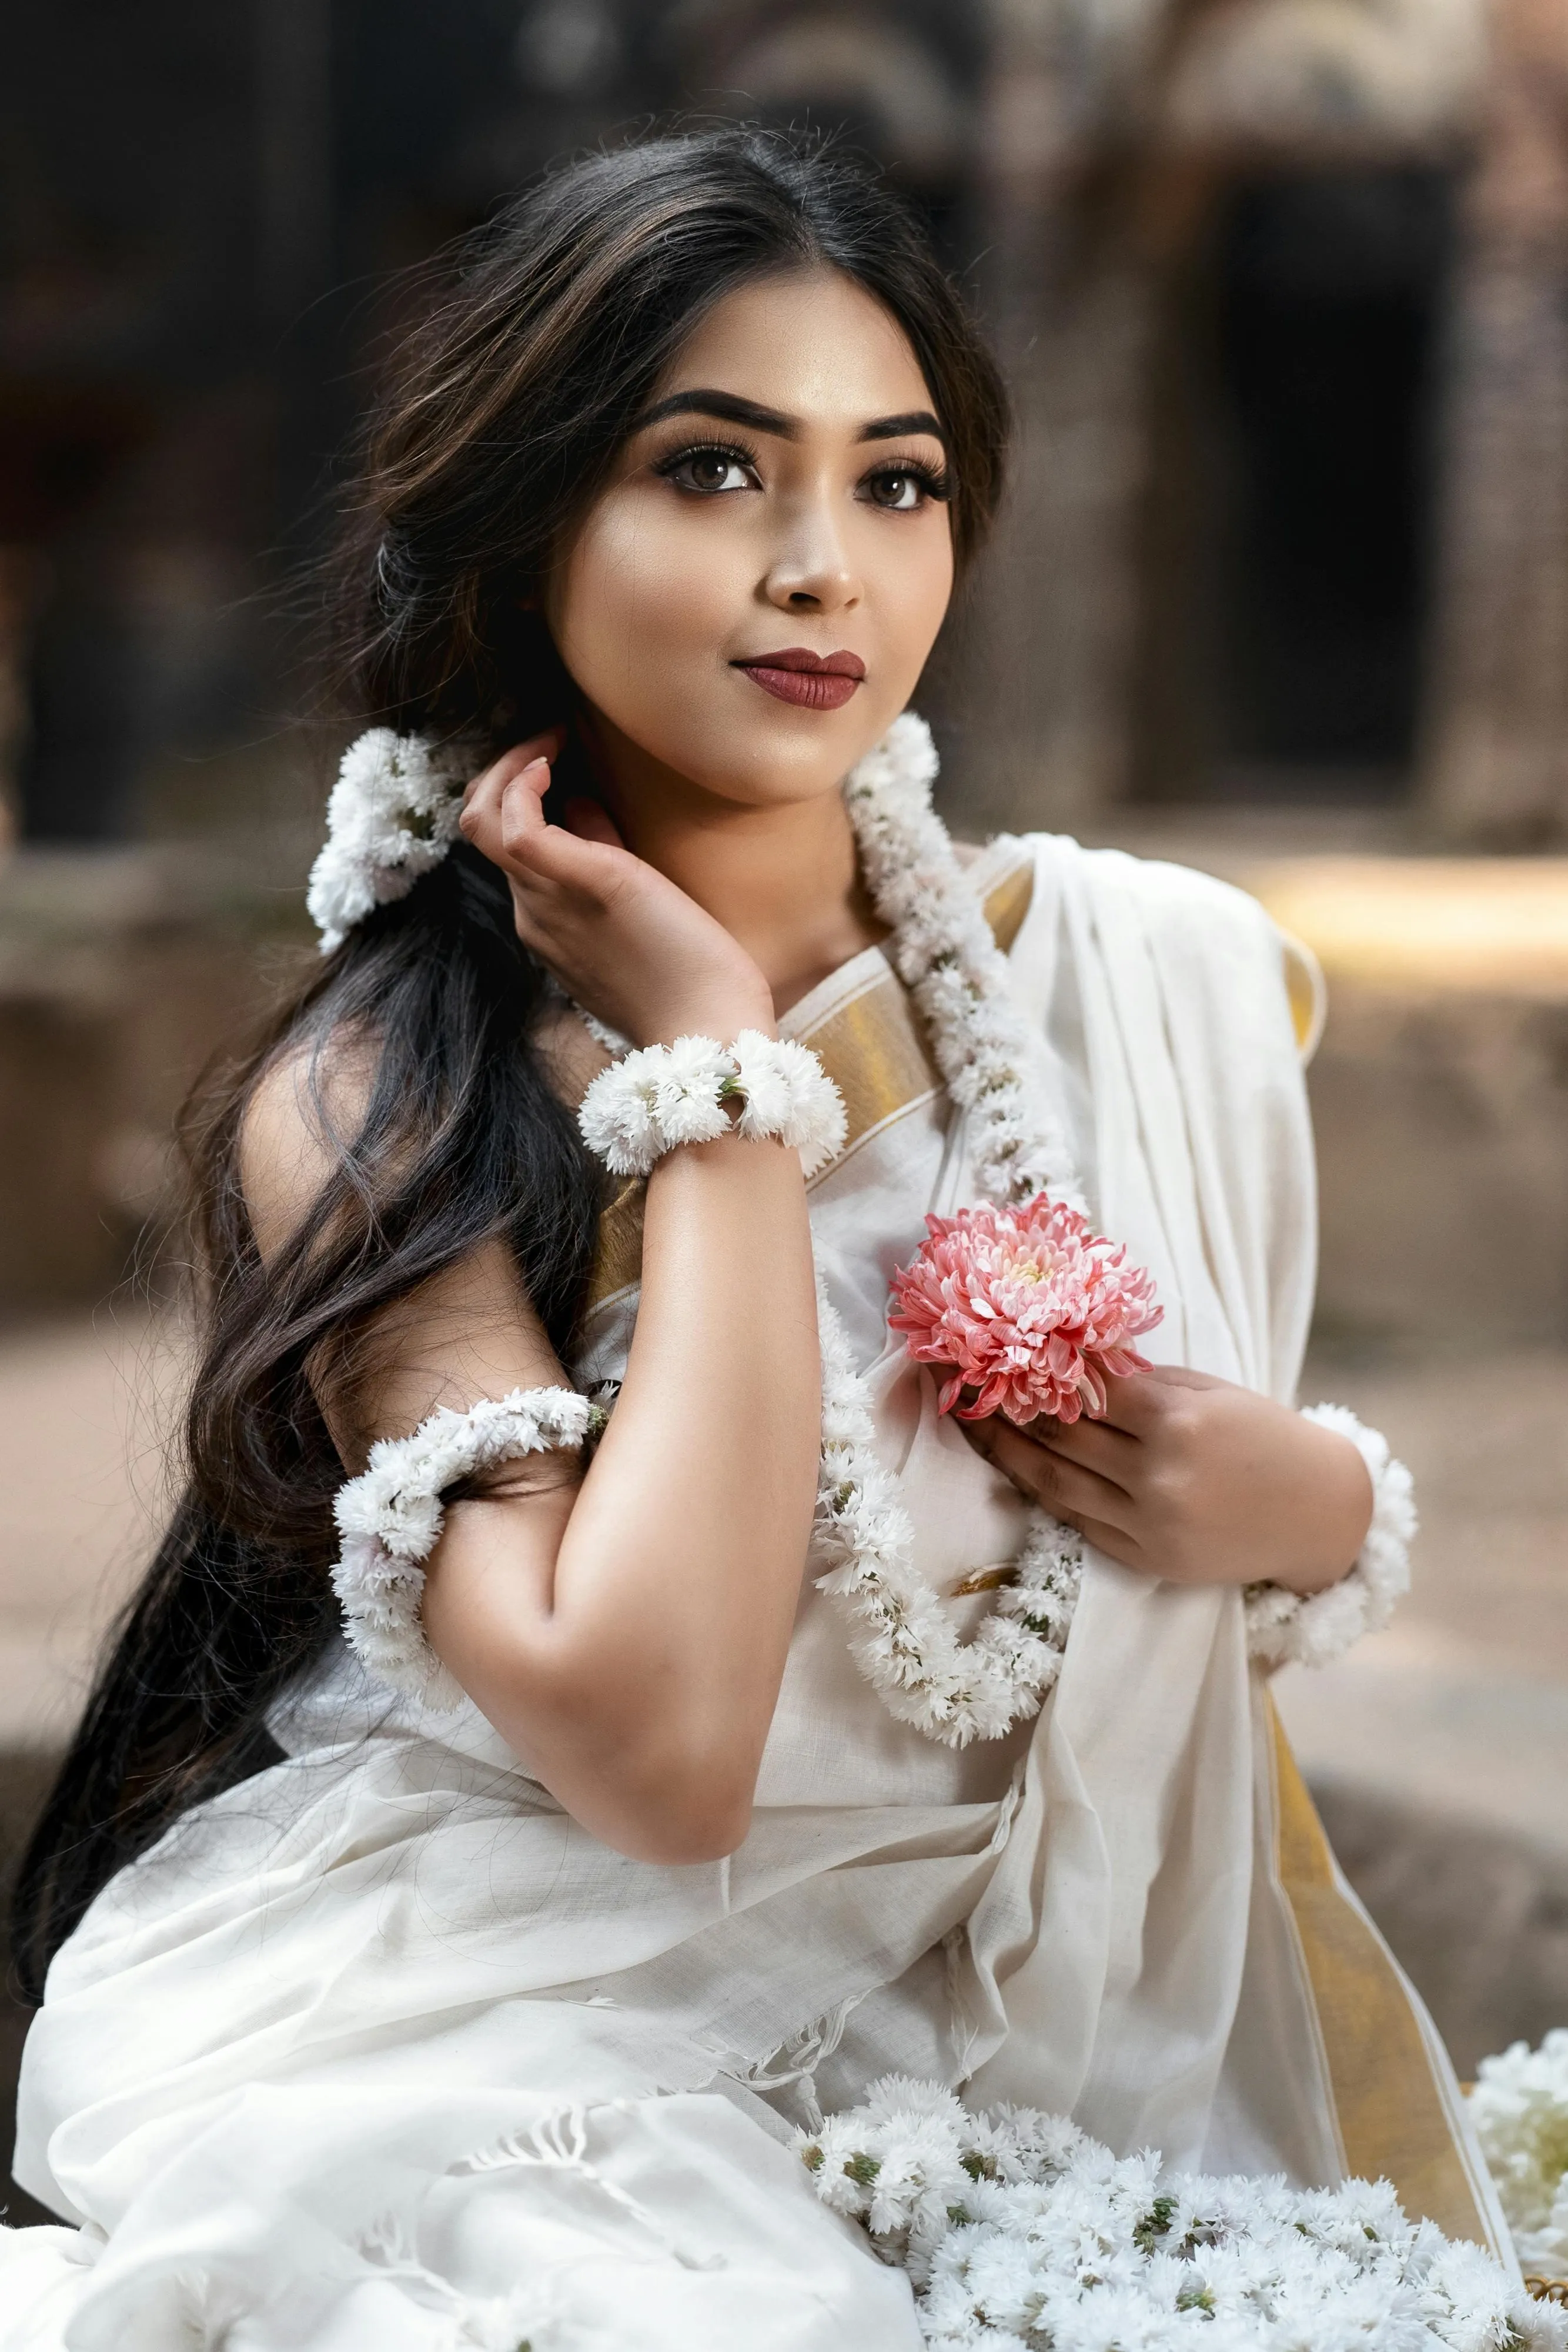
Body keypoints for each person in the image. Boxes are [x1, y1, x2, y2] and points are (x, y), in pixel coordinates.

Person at [0, 129, 1512, 2349]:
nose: (824, 569)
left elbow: (1156, 1580)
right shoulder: (391, 1092)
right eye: (713, 472)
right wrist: (718, 1078)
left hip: (995, 2041)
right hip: (498, 2055)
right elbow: (656, 1743)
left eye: (894, 483)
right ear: (531, 527)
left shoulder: (1138, 976)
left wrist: (1296, 1500)